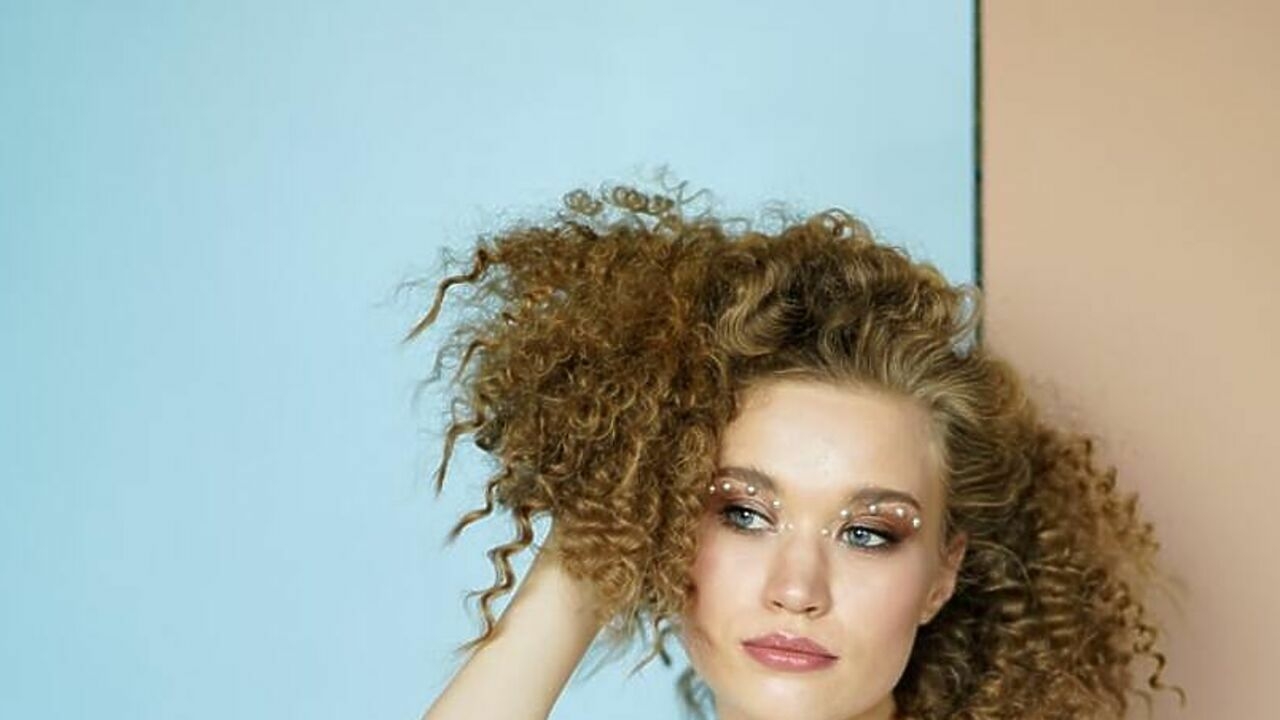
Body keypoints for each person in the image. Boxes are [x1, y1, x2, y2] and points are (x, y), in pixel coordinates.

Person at [406, 183, 1183, 720]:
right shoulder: (634, 530)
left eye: (868, 533)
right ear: (659, 529)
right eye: (743, 514)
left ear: (942, 576)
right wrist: (594, 543)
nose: (797, 590)